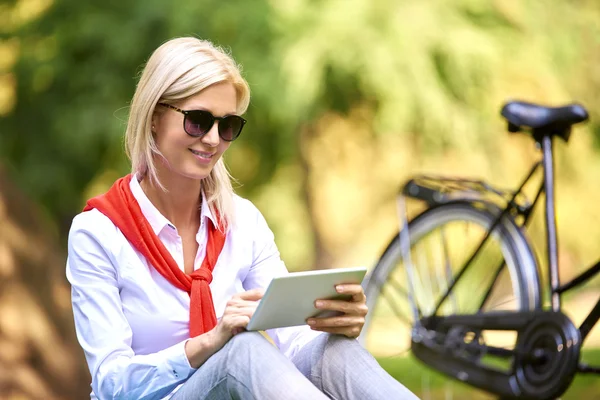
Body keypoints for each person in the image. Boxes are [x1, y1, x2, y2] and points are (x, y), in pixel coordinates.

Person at [66, 36, 419, 400]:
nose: (214, 139)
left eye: (228, 125)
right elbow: (111, 384)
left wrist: (333, 323)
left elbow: (293, 340)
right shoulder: (99, 233)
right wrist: (210, 343)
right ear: (155, 118)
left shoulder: (242, 221)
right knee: (241, 351)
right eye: (198, 121)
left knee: (334, 353)